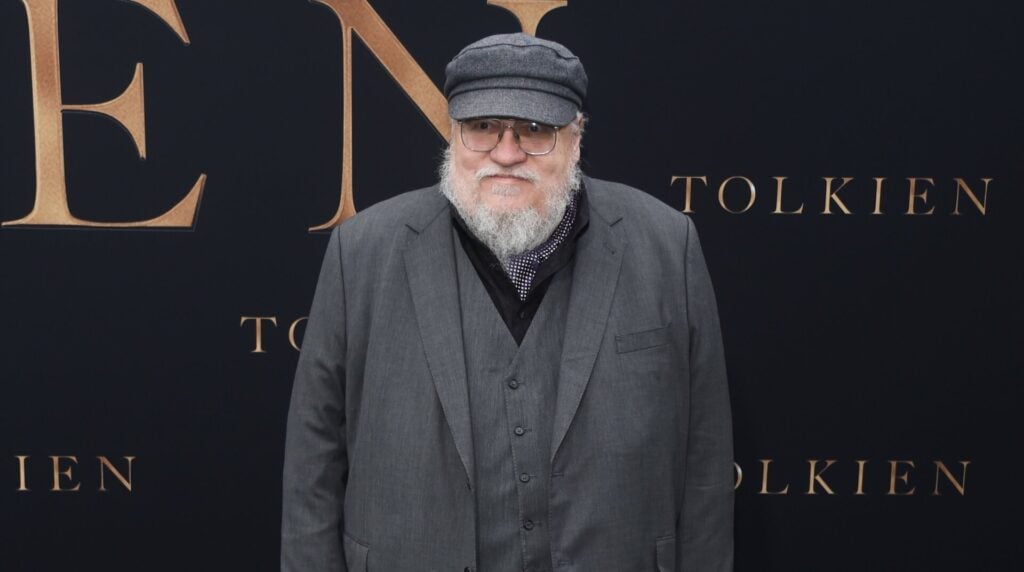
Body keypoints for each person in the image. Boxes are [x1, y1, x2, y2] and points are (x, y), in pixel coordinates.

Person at [281, 33, 734, 572]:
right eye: (483, 127)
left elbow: (706, 462)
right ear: (453, 133)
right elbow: (313, 463)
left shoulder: (666, 246)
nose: (506, 153)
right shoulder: (361, 253)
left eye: (536, 130)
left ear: (576, 137)